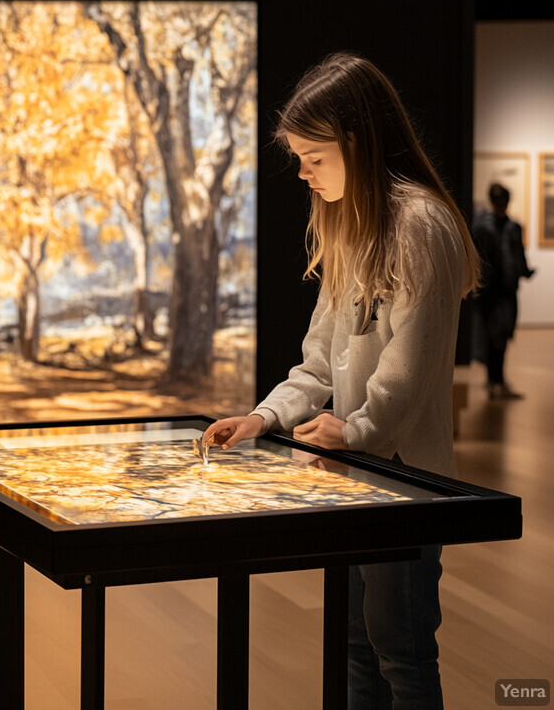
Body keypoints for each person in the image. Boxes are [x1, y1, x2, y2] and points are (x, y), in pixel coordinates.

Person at [204, 52, 481, 709]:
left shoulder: (420, 227)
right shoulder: (350, 225)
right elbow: (319, 363)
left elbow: (406, 374)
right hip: (358, 480)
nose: (302, 173)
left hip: (406, 482)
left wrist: (352, 429)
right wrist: (263, 419)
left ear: (357, 143)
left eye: (314, 157)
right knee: (358, 647)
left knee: (402, 653)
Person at [471, 182, 534, 399]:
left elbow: (519, 254)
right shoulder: (482, 227)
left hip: (506, 292)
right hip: (489, 293)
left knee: (502, 335)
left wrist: (524, 271)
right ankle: (493, 381)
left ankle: (498, 380)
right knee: (490, 337)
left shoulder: (512, 227)